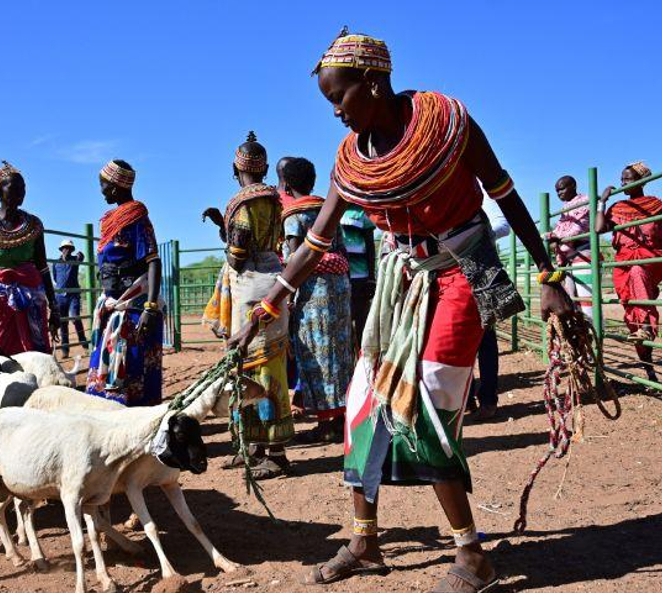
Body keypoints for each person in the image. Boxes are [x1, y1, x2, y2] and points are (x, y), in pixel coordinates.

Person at [229, 31, 572, 589]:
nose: (336, 112)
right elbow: (315, 243)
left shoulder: (448, 123)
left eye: (340, 98)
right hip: (400, 280)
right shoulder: (350, 160)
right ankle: (365, 540)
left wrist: (549, 273)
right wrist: (266, 307)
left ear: (374, 82)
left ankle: (471, 555)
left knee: (430, 398)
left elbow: (504, 192)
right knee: (365, 399)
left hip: (461, 268)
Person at [202, 132, 293, 479]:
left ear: (233, 169)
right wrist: (222, 227)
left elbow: (239, 255)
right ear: (266, 168)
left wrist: (226, 238)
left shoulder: (241, 202)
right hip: (274, 282)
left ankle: (272, 453)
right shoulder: (274, 198)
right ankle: (256, 448)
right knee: (270, 365)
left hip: (250, 288)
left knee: (248, 366)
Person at [278, 157, 352, 444]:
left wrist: (287, 298)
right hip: (339, 289)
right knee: (340, 352)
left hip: (313, 295)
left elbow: (296, 261)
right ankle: (342, 418)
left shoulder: (294, 216)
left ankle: (325, 424)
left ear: (285, 184)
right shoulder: (327, 208)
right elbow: (341, 251)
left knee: (316, 355)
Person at [86, 159, 163, 406]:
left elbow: (153, 261)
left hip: (134, 308)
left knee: (133, 367)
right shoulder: (112, 219)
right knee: (107, 367)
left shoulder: (136, 218)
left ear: (116, 186)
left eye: (104, 185)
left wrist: (149, 307)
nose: (101, 191)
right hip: (113, 306)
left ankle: (135, 427)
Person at [0, 161, 59, 355]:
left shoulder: (34, 225)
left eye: (23, 188)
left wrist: (54, 306)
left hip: (30, 298)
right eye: (15, 187)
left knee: (35, 354)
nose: (21, 192)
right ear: (0, 192)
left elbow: (43, 268)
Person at [595, 161, 662, 381]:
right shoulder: (618, 207)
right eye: (622, 179)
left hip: (649, 260)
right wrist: (602, 202)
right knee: (631, 312)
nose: (623, 183)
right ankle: (649, 367)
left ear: (642, 180)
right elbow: (598, 228)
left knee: (637, 272)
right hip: (622, 262)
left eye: (629, 179)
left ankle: (646, 327)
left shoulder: (655, 205)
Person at [467, 201, 512, 421]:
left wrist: (473, 239)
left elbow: (503, 225)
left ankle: (488, 399)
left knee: (485, 339)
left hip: (480, 272)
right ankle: (465, 399)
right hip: (447, 270)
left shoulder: (482, 194)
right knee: (456, 339)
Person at [545, 175, 593, 317]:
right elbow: (561, 230)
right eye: (557, 191)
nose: (559, 193)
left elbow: (580, 227)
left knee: (587, 301)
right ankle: (582, 334)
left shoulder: (584, 202)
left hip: (583, 253)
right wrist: (552, 236)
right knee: (570, 299)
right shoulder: (566, 208)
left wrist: (556, 237)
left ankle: (596, 332)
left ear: (573, 186)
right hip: (568, 257)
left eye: (562, 189)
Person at [341, 201, 376, 347]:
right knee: (343, 325)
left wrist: (371, 278)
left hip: (360, 278)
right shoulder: (329, 211)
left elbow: (370, 246)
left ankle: (364, 361)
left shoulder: (362, 212)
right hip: (340, 278)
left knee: (362, 324)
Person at [53, 239, 90, 358]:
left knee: (76, 318)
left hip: (73, 295)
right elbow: (55, 278)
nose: (67, 250)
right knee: (63, 323)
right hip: (60, 297)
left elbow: (82, 257)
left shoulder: (75, 260)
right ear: (61, 249)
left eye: (70, 248)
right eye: (65, 248)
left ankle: (85, 345)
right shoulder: (56, 263)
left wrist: (81, 255)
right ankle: (65, 350)